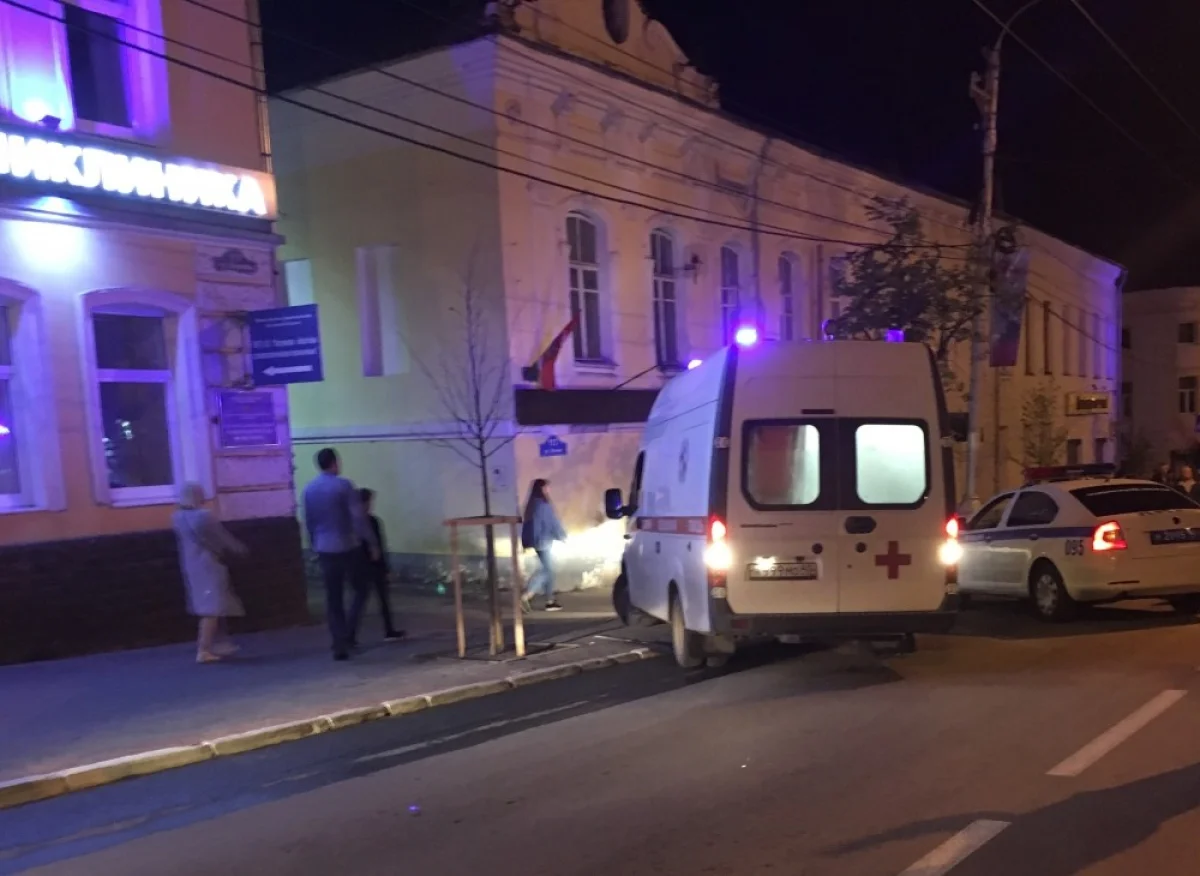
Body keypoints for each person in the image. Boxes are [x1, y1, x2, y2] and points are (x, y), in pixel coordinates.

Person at [303, 448, 379, 660]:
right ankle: (349, 634)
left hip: (324, 547)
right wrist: (372, 542)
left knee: (333, 597)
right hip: (347, 545)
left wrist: (313, 544)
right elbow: (358, 518)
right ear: (334, 463)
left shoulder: (309, 489)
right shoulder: (343, 485)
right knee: (360, 589)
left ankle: (338, 643)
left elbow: (309, 521)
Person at [172, 482, 249, 664]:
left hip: (191, 565)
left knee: (213, 605)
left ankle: (219, 643)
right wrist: (240, 549)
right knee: (212, 608)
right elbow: (222, 538)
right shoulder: (204, 516)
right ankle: (204, 649)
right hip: (210, 565)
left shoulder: (177, 517)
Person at [359, 488, 404, 641]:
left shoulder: (371, 522)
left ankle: (389, 629)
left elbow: (380, 545)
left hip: (373, 565)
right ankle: (351, 635)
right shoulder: (364, 523)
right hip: (366, 565)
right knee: (363, 599)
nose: (369, 505)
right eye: (367, 502)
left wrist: (385, 567)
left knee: (381, 598)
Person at [520, 478, 566, 612]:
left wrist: (526, 542)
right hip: (544, 541)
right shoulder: (543, 505)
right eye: (546, 488)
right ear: (541, 489)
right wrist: (561, 535)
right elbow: (551, 522)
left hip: (537, 541)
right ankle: (526, 595)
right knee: (547, 570)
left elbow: (528, 525)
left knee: (548, 570)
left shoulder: (532, 505)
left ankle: (550, 600)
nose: (548, 490)